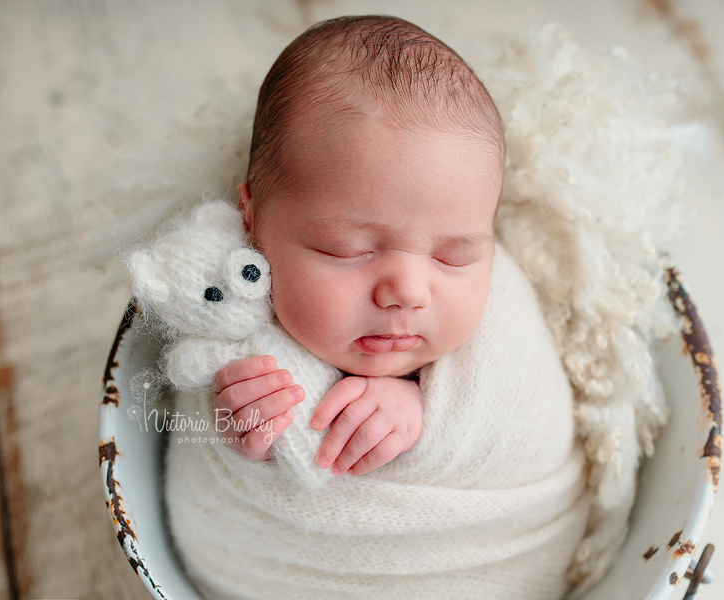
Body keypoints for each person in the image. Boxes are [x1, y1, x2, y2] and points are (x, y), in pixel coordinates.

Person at [212, 14, 505, 477]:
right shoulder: (218, 312)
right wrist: (245, 430)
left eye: (454, 256)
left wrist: (423, 407)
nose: (409, 292)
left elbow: (521, 413)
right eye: (347, 250)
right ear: (249, 220)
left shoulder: (498, 327)